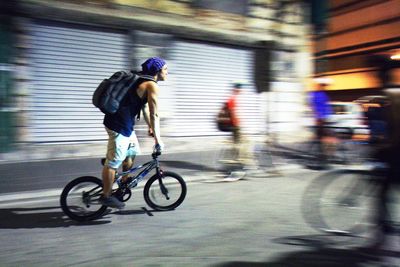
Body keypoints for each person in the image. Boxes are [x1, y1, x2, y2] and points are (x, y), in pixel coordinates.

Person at [100, 57, 167, 209]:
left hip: (126, 124)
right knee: (114, 162)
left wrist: (150, 127)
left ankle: (123, 184)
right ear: (158, 71)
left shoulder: (142, 81)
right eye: (165, 69)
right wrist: (158, 140)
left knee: (131, 152)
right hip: (117, 124)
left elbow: (142, 108)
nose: (167, 72)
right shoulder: (151, 85)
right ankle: (106, 195)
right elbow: (154, 113)